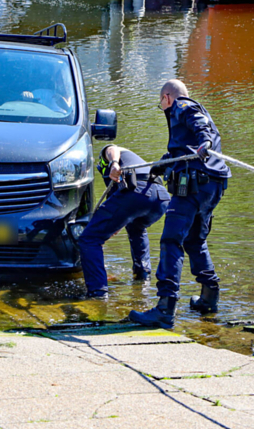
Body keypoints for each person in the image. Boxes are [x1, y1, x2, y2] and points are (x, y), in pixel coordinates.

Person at [126, 79, 230, 329]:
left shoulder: (183, 106)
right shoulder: (195, 115)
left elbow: (200, 127)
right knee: (195, 240)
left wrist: (203, 142)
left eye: (160, 103)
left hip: (194, 185)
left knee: (171, 240)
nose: (161, 108)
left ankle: (165, 308)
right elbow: (179, 152)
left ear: (167, 98)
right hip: (213, 186)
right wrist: (158, 168)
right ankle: (208, 297)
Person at [78, 145, 170, 298]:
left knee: (89, 239)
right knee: (136, 228)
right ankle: (142, 277)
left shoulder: (111, 156)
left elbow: (111, 148)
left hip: (137, 190)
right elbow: (116, 207)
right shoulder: (128, 167)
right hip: (161, 198)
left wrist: (113, 162)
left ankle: (97, 292)